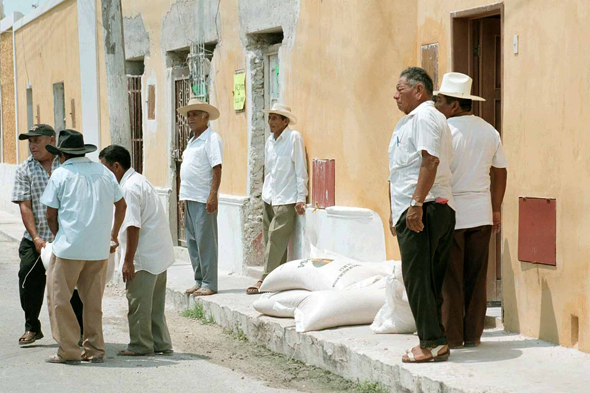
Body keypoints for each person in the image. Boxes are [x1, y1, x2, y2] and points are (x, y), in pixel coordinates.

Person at [434, 72, 508, 349]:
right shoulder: (489, 130)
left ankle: (451, 336)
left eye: (440, 101)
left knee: (450, 277)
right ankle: (473, 335)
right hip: (481, 213)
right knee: (476, 279)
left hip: (452, 211)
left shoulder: (444, 131)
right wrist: (496, 209)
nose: (437, 106)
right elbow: (500, 172)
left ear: (454, 105)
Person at [40, 130, 126, 364]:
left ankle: (68, 350)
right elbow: (121, 205)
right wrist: (113, 234)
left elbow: (50, 214)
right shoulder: (105, 173)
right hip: (98, 250)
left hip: (69, 248)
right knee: (93, 302)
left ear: (62, 155)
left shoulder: (60, 174)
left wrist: (60, 237)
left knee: (60, 300)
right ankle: (95, 350)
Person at [389, 67, 455, 363]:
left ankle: (431, 344)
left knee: (417, 279)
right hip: (418, 207)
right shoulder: (410, 121)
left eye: (400, 89)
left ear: (418, 90)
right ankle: (436, 341)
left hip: (424, 208)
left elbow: (430, 160)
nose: (395, 95)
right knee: (426, 279)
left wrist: (414, 205)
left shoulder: (426, 117)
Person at [11, 124, 84, 346]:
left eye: (37, 140)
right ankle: (32, 327)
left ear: (51, 140)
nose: (32, 145)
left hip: (67, 238)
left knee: (72, 286)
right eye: (29, 141)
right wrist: (35, 238)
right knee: (27, 278)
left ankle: (79, 331)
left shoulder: (65, 164)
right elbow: (25, 205)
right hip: (38, 238)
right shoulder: (25, 169)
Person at [99, 145, 175, 356]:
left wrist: (128, 261)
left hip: (144, 256)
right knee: (154, 306)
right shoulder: (139, 180)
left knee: (138, 303)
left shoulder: (128, 189)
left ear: (116, 166)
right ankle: (160, 343)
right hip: (157, 254)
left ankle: (141, 345)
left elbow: (133, 226)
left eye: (104, 168)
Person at [246, 104, 308, 295]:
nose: (270, 122)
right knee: (269, 239)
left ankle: (264, 279)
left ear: (285, 121)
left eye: (275, 118)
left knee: (275, 238)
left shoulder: (293, 138)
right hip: (270, 196)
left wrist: (301, 197)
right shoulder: (269, 142)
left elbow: (300, 168)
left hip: (286, 197)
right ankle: (276, 281)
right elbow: (270, 171)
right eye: (270, 117)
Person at [176, 98, 223, 297]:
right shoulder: (192, 141)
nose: (191, 118)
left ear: (206, 116)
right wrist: (182, 198)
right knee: (193, 241)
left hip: (204, 198)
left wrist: (212, 195)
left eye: (195, 114)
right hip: (190, 196)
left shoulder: (212, 139)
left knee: (206, 242)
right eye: (189, 114)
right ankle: (199, 279)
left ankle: (210, 282)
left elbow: (217, 168)